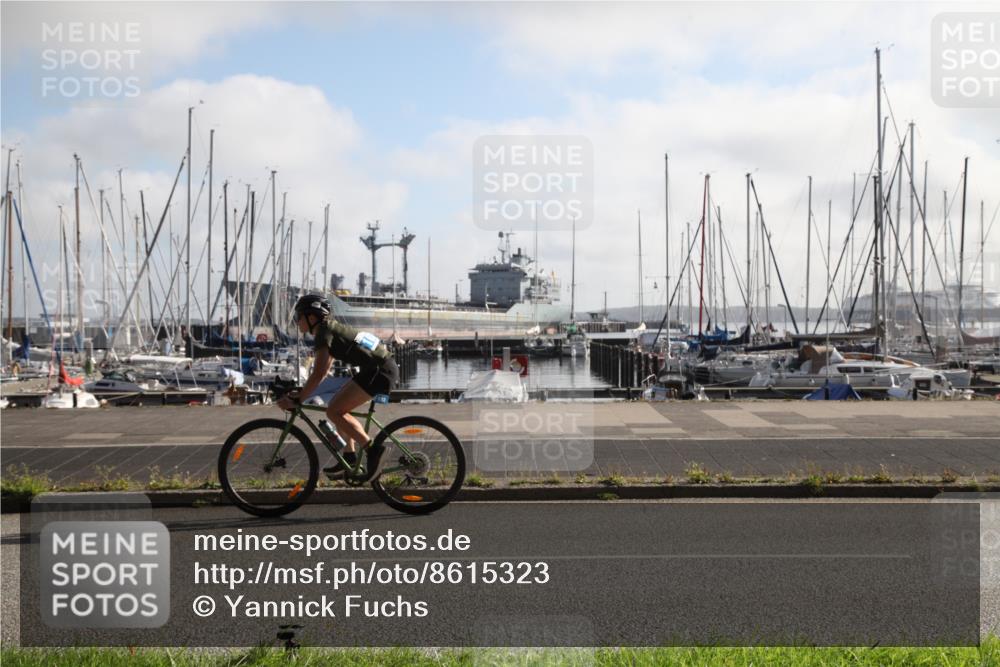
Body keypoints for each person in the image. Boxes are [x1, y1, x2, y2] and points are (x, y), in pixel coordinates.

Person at [276, 294, 400, 480]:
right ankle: (349, 458)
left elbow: (319, 373)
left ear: (312, 317)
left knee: (334, 411)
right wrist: (302, 392)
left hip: (379, 371)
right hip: (378, 368)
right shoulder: (329, 329)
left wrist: (299, 398)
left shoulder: (324, 332)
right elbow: (323, 371)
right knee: (337, 407)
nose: (297, 321)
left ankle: (374, 450)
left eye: (299, 316)